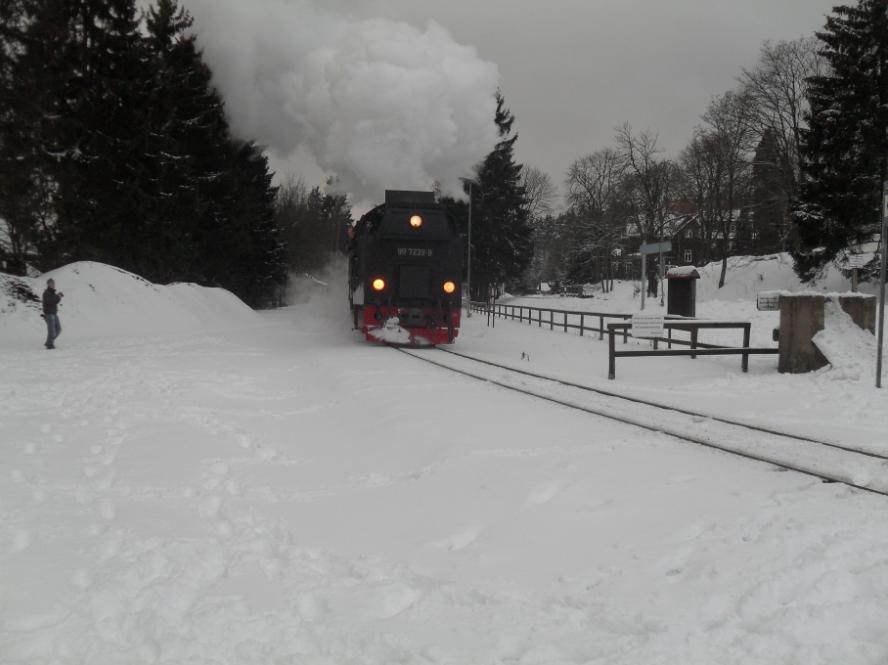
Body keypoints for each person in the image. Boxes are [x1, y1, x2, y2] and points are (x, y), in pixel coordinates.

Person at [42, 278, 63, 349]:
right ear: (48, 284)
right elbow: (51, 301)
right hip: (49, 314)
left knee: (58, 329)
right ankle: (49, 345)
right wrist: (58, 296)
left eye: (54, 283)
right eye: (52, 283)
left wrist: (58, 296)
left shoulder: (52, 293)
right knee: (52, 331)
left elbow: (55, 301)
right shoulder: (46, 293)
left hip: (54, 313)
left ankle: (49, 342)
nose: (53, 285)